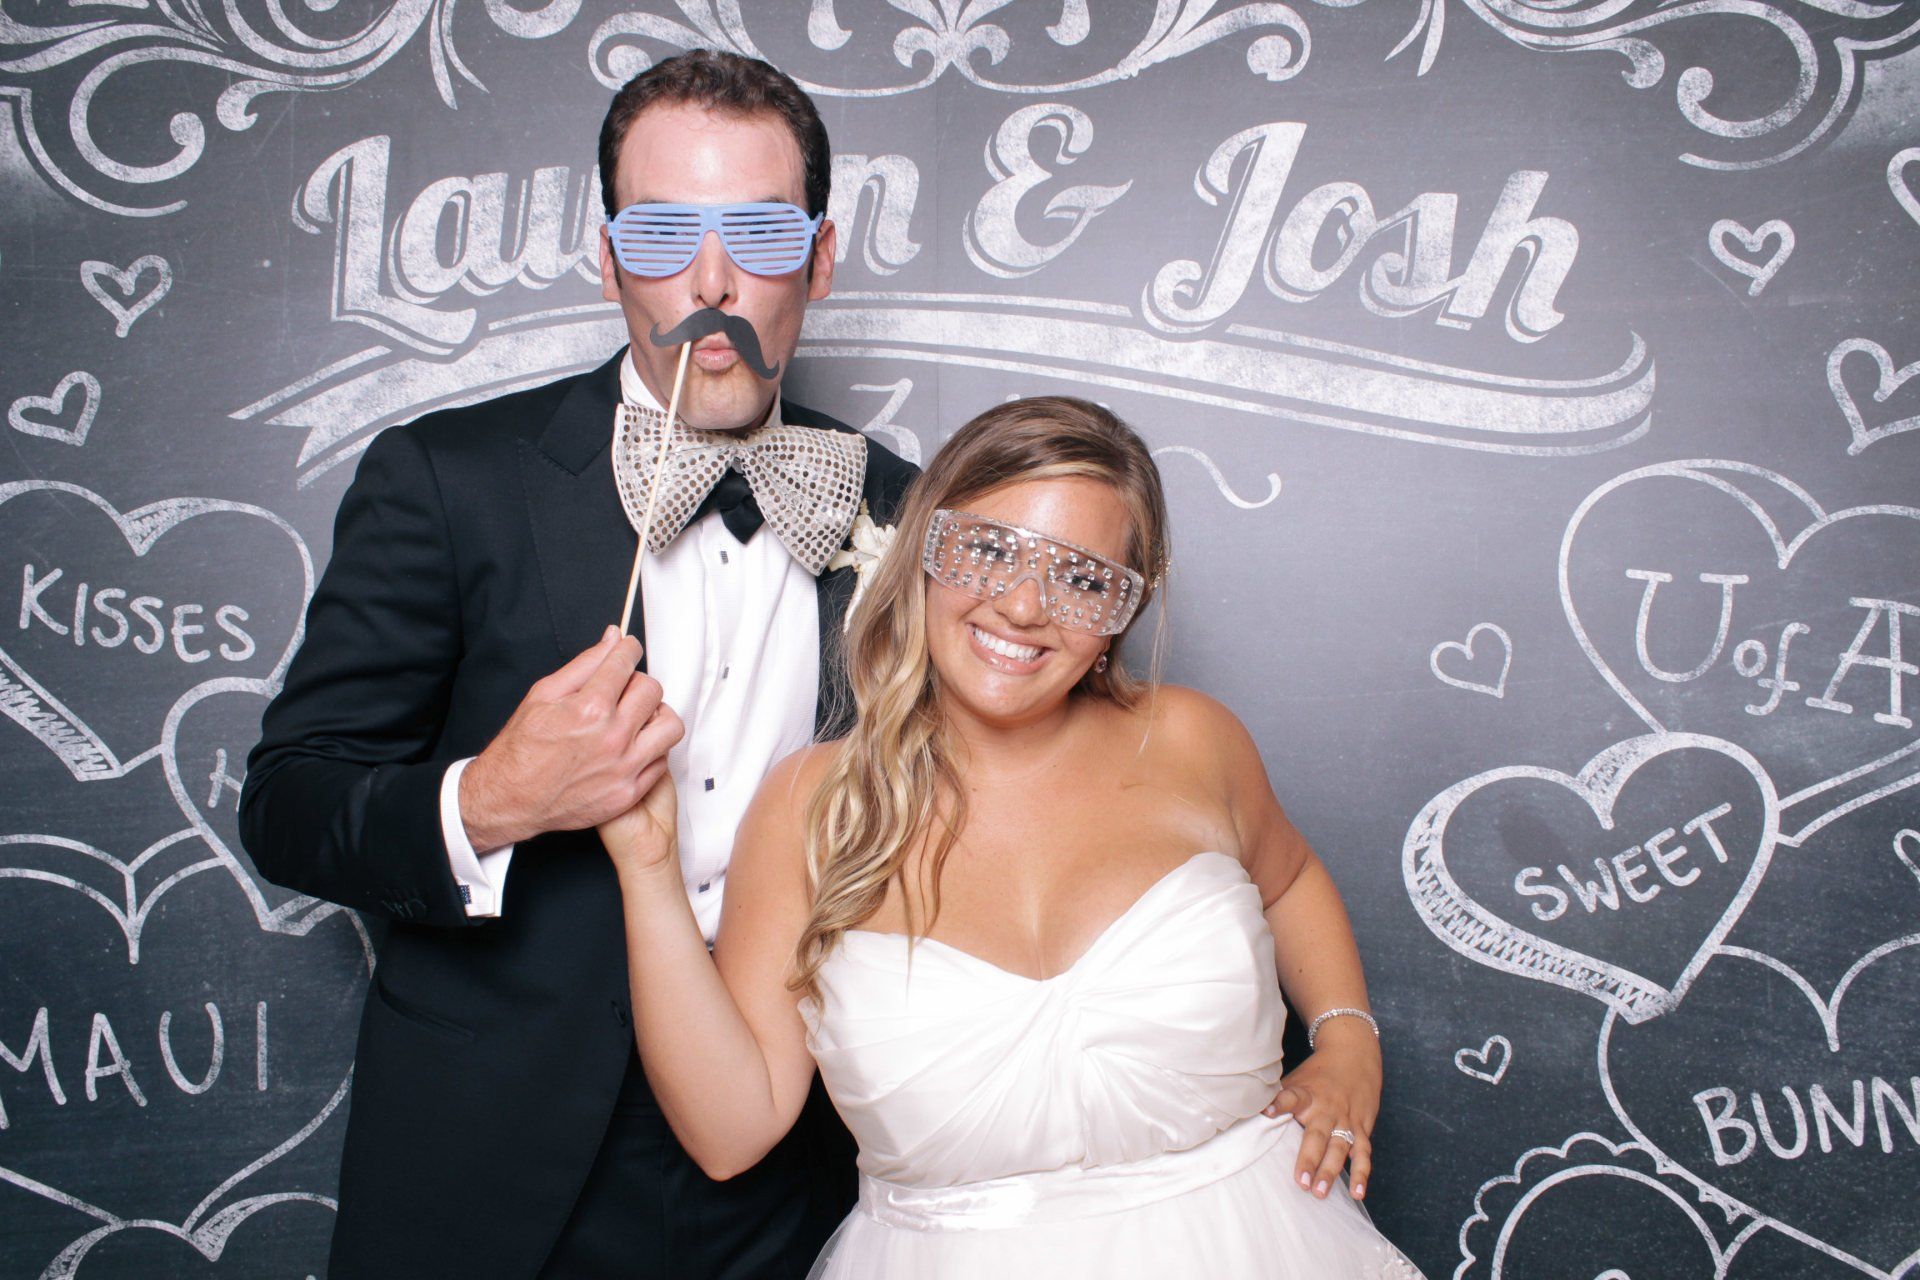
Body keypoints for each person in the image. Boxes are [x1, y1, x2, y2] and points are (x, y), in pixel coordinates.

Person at [238, 50, 917, 1279]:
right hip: (494, 1156)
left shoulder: (902, 504)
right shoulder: (447, 478)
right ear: (606, 258)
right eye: (663, 235)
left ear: (819, 258)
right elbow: (290, 804)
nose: (710, 283)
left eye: (758, 234)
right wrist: (491, 798)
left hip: (799, 1159)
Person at [597, 397, 1427, 1277]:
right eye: (989, 551)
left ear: (1125, 607)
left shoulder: (1191, 738)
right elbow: (733, 1130)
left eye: (1081, 577)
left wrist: (1347, 1039)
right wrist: (647, 868)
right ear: (924, 549)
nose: (1026, 605)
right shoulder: (812, 805)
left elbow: (1289, 878)